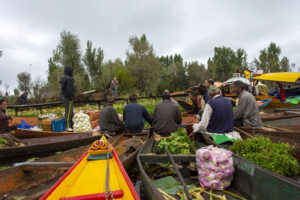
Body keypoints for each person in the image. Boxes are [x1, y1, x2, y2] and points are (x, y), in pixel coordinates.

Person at [60, 66, 74, 132]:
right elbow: (69, 89)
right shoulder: (69, 79)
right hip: (68, 97)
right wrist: (71, 97)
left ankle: (70, 125)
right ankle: (68, 127)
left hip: (65, 97)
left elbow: (62, 89)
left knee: (67, 111)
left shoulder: (63, 78)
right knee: (69, 112)